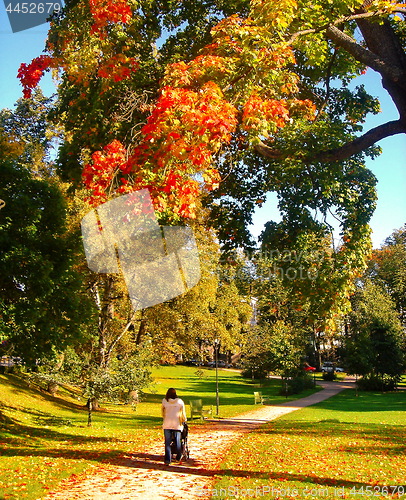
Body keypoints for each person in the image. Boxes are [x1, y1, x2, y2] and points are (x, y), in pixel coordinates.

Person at [161, 387, 187, 465]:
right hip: (177, 423)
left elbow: (162, 411)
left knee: (167, 442)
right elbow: (183, 412)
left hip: (167, 423)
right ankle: (178, 456)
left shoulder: (165, 401)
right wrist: (184, 420)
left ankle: (167, 459)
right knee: (177, 440)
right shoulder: (179, 402)